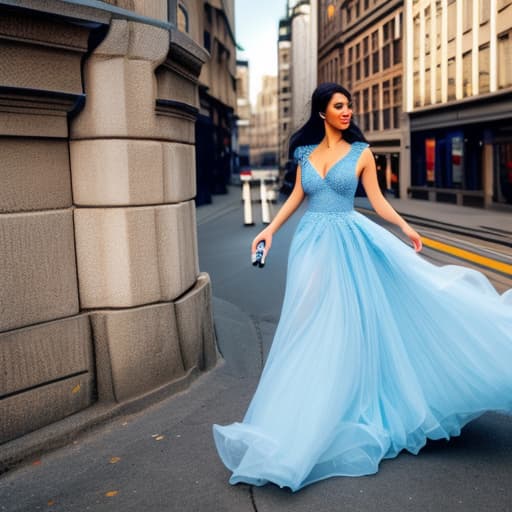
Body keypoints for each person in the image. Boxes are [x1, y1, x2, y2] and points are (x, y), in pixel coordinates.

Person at [212, 82, 512, 493]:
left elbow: (378, 200)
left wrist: (405, 226)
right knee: (305, 325)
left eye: (349, 105)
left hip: (349, 243)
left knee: (346, 325)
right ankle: (300, 412)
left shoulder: (362, 153)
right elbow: (298, 195)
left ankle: (340, 408)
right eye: (339, 106)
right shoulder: (305, 154)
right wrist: (269, 230)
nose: (347, 111)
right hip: (311, 247)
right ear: (322, 112)